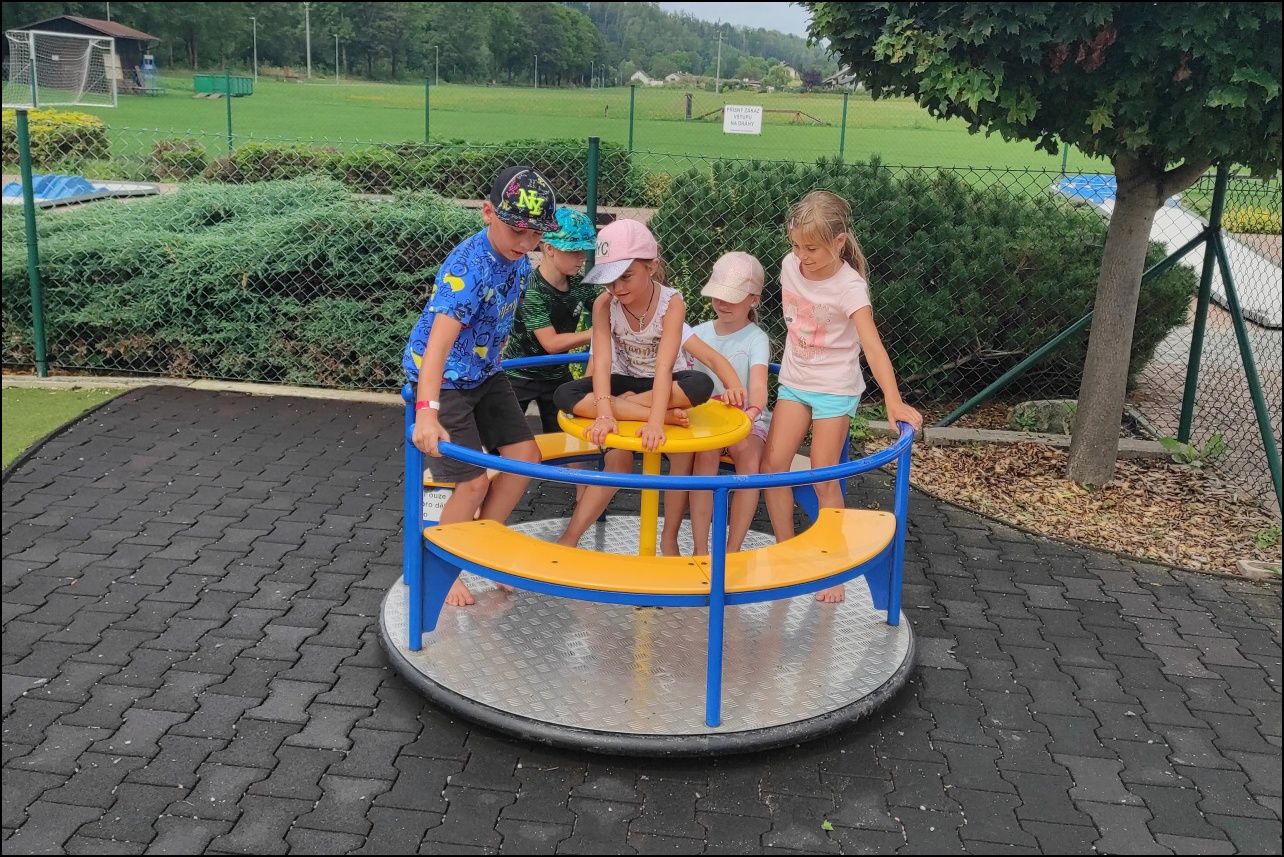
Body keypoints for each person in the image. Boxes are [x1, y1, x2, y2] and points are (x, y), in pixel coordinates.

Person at [404, 165, 559, 607]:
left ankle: (480, 547)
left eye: (535, 235)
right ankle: (445, 564)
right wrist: (427, 413)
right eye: (517, 231)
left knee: (525, 457)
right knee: (471, 483)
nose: (525, 243)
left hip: (484, 372)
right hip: (444, 380)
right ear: (488, 213)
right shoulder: (469, 268)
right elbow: (437, 346)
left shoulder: (519, 262)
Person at [760, 190, 923, 603]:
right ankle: (786, 551)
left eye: (812, 248)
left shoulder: (850, 286)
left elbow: (872, 345)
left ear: (838, 242)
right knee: (772, 467)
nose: (802, 256)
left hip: (834, 388)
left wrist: (893, 399)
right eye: (796, 245)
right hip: (795, 381)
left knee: (823, 473)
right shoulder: (789, 265)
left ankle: (831, 568)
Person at [551, 218, 746, 551]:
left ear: (651, 266)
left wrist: (655, 423)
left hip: (664, 385)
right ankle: (569, 538)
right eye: (609, 279)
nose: (617, 288)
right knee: (566, 394)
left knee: (699, 385)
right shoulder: (604, 305)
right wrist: (605, 414)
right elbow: (602, 362)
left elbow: (666, 365)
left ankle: (668, 539)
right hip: (629, 385)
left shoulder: (671, 303)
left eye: (626, 276)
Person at [666, 252, 772, 557]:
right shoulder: (699, 334)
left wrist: (752, 412)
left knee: (749, 462)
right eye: (717, 296)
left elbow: (758, 386)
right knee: (705, 456)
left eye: (732, 298)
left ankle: (732, 551)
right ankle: (700, 549)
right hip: (707, 422)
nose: (722, 303)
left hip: (746, 419)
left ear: (753, 299)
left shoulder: (756, 339)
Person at [503, 207, 598, 433]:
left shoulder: (580, 286)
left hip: (557, 374)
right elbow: (551, 344)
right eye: (574, 251)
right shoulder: (532, 290)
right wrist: (598, 333)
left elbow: (606, 310)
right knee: (506, 438)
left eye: (584, 250)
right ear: (549, 248)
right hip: (520, 373)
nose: (582, 258)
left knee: (565, 437)